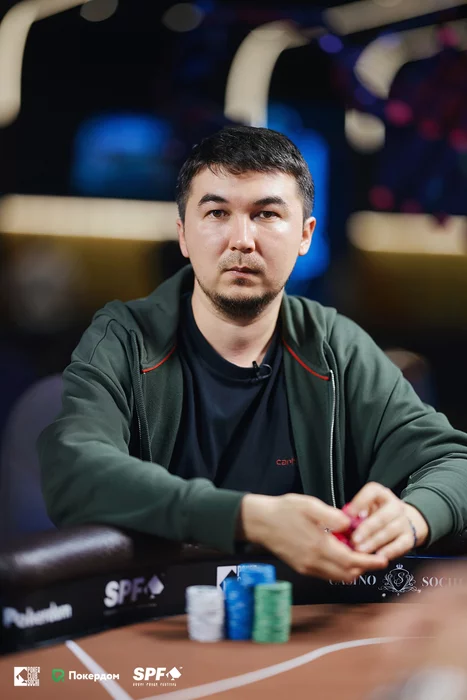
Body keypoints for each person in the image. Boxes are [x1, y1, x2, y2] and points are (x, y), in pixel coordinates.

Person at [39, 126, 467, 583]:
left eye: (266, 214)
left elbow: (453, 462)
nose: (241, 239)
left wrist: (412, 517)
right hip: (160, 607)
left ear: (305, 235)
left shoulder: (334, 346)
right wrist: (251, 518)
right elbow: (75, 470)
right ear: (183, 235)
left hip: (305, 610)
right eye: (217, 213)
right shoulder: (125, 337)